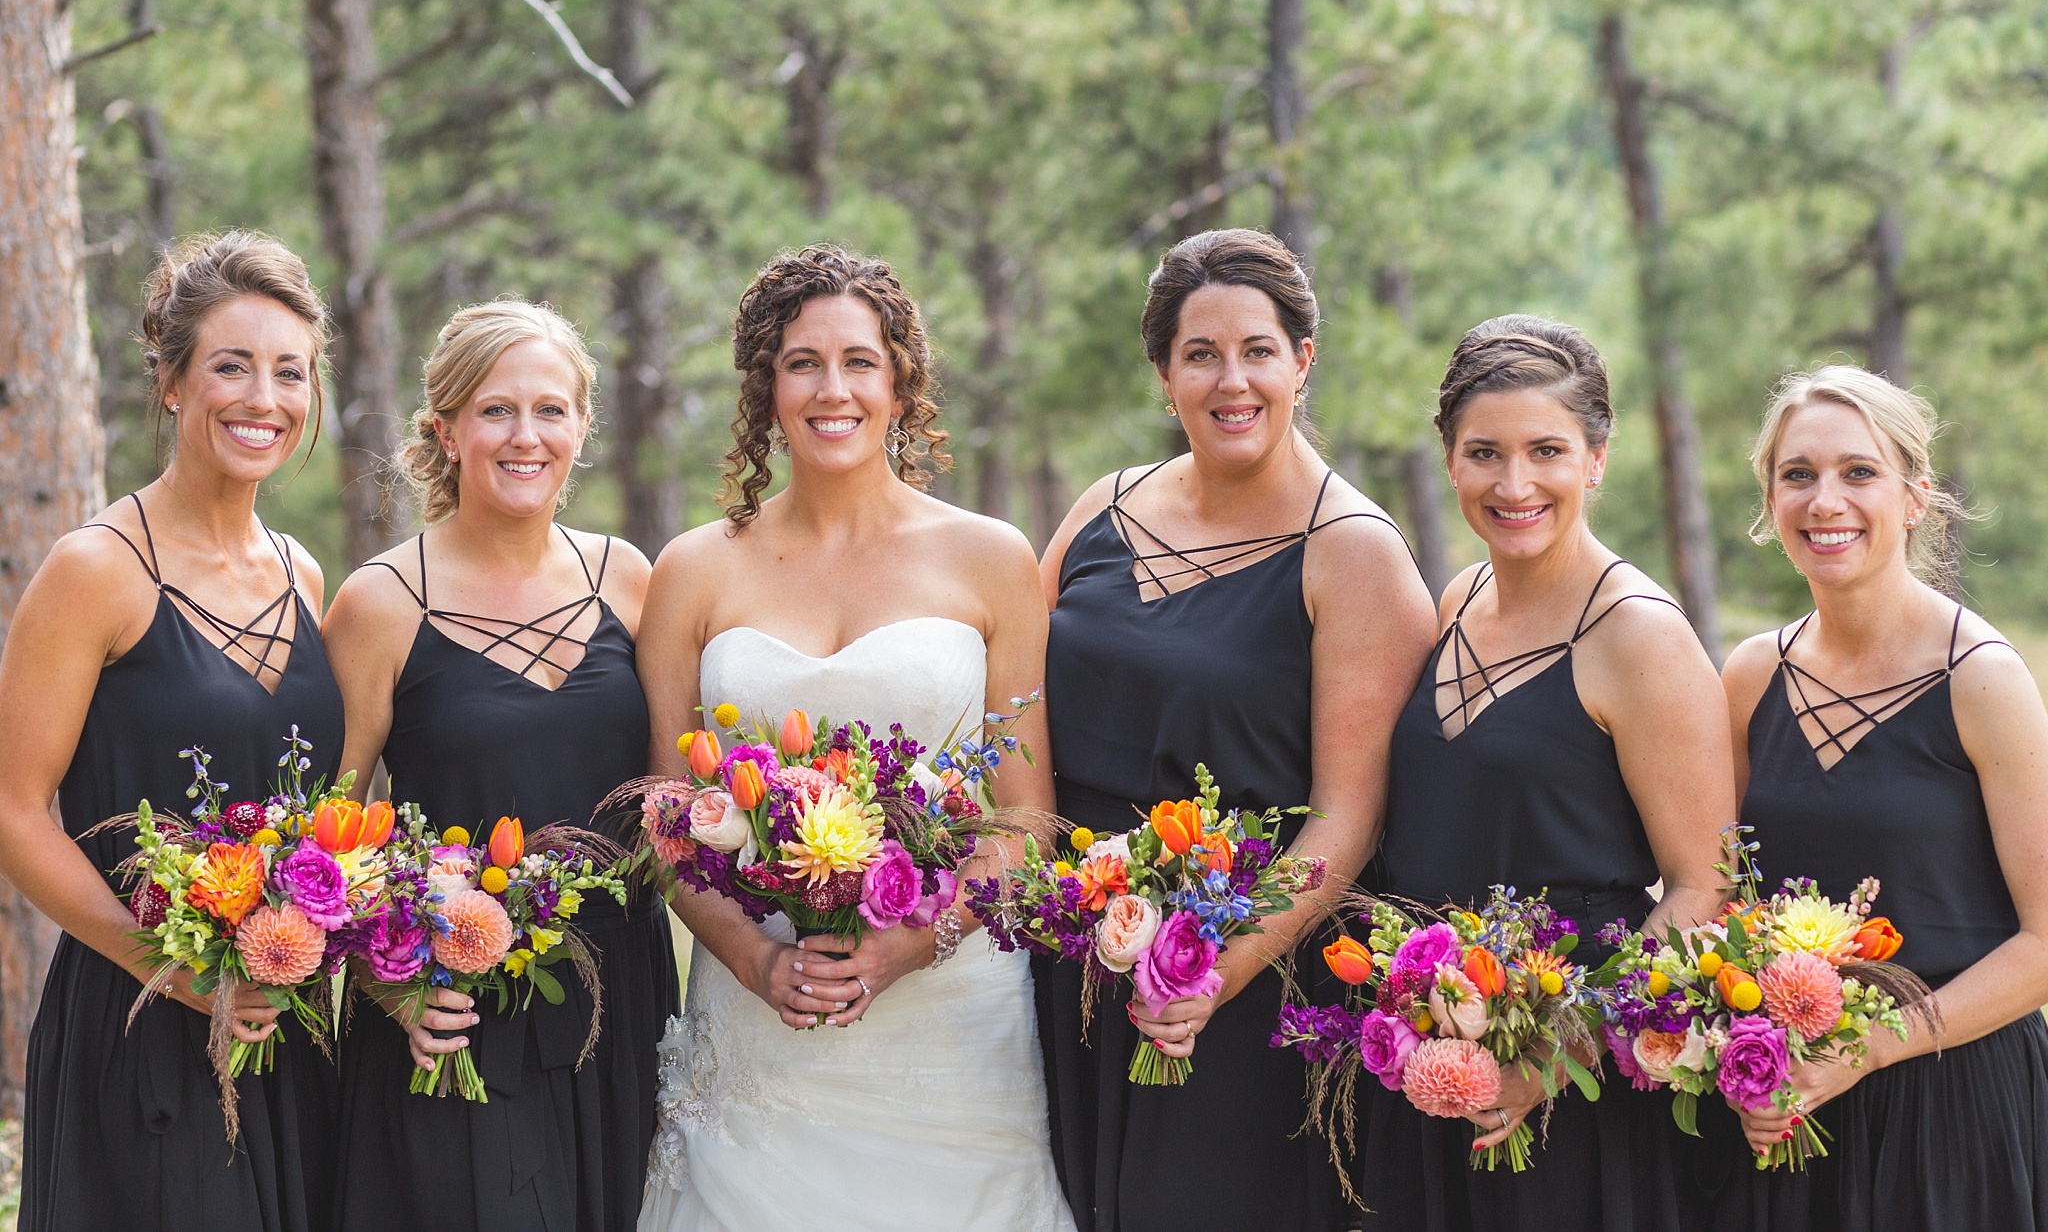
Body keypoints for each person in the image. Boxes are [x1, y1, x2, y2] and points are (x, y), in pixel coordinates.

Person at [635, 245, 1072, 1232]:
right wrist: (754, 960)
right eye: (801, 363)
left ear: (900, 381)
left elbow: (1025, 817)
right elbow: (668, 818)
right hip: (756, 1028)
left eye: (859, 362)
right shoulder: (694, 572)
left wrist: (914, 944)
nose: (832, 390)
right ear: (765, 386)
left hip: (949, 1024)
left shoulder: (990, 558)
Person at [1036, 228, 1437, 1232]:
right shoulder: (1103, 508)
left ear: (1301, 362)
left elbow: (1347, 822)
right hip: (1066, 960)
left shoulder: (1351, 555)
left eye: (1257, 350)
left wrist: (1209, 974)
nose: (1231, 381)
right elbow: (1018, 721)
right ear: (1163, 372)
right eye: (1199, 354)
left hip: (1242, 990)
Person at [1355, 317, 1735, 1231]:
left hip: (1568, 1078)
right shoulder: (1458, 601)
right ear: (1449, 459)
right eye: (1485, 452)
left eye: (1548, 451)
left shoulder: (1639, 635)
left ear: (1597, 458)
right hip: (1434, 1056)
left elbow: (1704, 886)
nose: (1514, 484)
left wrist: (1552, 1055)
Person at [0, 231, 342, 1231]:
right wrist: (175, 971)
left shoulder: (301, 571)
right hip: (138, 1014)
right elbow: (16, 812)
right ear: (172, 382)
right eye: (230, 366)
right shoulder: (94, 570)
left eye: (289, 372)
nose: (262, 399)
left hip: (283, 1022)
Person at [324, 299, 677, 1231]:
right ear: (445, 429)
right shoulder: (382, 602)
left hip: (624, 1004)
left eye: (550, 410)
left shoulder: (631, 580)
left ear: (583, 425)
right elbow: (323, 841)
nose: (526, 436)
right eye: (495, 410)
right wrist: (390, 985)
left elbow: (673, 804)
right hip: (457, 1008)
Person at [1702, 366, 2048, 1231]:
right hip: (1787, 1110)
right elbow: (1719, 901)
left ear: (1916, 494)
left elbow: (2046, 941)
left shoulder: (1982, 678)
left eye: (1858, 472)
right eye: (1798, 474)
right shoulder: (1749, 677)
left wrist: (1865, 1051)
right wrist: (1744, 1055)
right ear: (1770, 498)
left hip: (1953, 1102)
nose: (1826, 500)